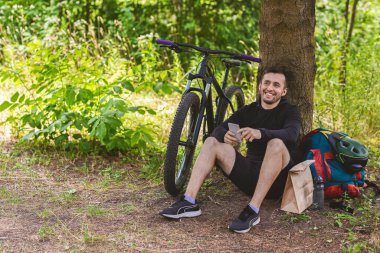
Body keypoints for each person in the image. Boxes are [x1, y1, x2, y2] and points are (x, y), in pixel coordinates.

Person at [159, 66, 301, 233]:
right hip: (249, 176)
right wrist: (225, 135)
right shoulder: (249, 111)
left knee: (275, 144)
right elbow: (220, 128)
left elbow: (292, 134)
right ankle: (189, 201)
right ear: (260, 86)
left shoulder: (289, 111)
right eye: (266, 83)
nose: (270, 88)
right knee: (212, 142)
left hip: (277, 182)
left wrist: (261, 133)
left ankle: (253, 210)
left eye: (276, 85)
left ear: (283, 91)